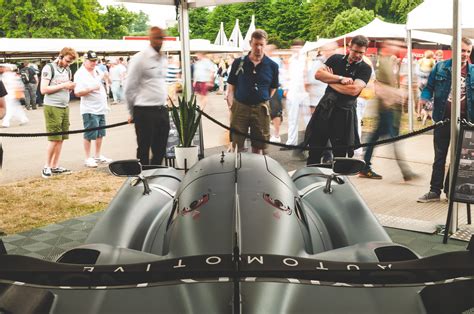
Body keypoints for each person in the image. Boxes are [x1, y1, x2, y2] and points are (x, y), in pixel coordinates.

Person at [418, 37, 474, 202]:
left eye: (468, 51)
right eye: (462, 50)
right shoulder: (440, 67)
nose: (464, 54)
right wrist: (424, 99)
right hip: (443, 120)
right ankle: (434, 191)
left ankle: (451, 190)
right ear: (454, 49)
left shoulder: (472, 72)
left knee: (459, 158)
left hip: (464, 122)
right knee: (439, 157)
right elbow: (429, 88)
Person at [305, 35, 372, 165]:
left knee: (340, 155)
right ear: (349, 48)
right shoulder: (335, 59)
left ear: (365, 52)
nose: (358, 55)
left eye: (361, 52)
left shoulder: (365, 68)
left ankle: (336, 183)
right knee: (315, 149)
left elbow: (353, 90)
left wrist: (329, 80)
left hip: (344, 113)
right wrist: (340, 78)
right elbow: (318, 74)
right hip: (325, 108)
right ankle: (311, 179)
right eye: (355, 51)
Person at [359, 40, 417, 181]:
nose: (398, 47)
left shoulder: (391, 62)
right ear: (386, 47)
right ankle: (405, 172)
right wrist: (397, 94)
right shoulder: (382, 63)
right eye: (395, 45)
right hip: (387, 109)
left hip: (391, 109)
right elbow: (378, 86)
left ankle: (364, 166)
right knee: (395, 140)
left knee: (374, 139)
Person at [226, 29, 279, 154]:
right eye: (256, 44)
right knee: (236, 143)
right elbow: (231, 86)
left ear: (265, 45)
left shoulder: (272, 66)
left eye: (262, 45)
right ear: (251, 43)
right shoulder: (239, 62)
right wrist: (231, 106)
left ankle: (257, 170)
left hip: (261, 108)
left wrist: (263, 99)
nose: (259, 48)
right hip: (240, 107)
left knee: (259, 145)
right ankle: (236, 171)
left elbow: (273, 87)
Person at [125, 26, 170, 166]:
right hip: (144, 110)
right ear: (149, 38)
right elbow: (129, 88)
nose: (159, 41)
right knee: (143, 149)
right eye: (156, 38)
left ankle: (155, 176)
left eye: (161, 38)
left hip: (161, 109)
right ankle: (143, 178)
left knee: (161, 149)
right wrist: (132, 113)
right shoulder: (140, 58)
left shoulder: (163, 58)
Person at [40, 47, 77, 178]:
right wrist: (64, 85)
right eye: (67, 60)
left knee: (61, 139)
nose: (68, 64)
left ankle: (55, 166)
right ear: (61, 56)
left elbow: (66, 87)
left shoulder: (67, 69)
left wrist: (70, 87)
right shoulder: (48, 68)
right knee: (54, 138)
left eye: (70, 62)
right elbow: (43, 90)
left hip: (64, 106)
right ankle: (47, 166)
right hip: (52, 106)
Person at [74, 50, 113, 168]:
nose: (93, 63)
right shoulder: (80, 74)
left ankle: (97, 155)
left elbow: (106, 78)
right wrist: (91, 89)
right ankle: (87, 158)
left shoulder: (97, 69)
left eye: (95, 61)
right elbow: (77, 93)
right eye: (91, 61)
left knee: (100, 133)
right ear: (85, 61)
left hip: (101, 107)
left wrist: (107, 78)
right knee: (89, 133)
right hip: (89, 109)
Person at [282, 39, 310, 148]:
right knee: (292, 118)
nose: (297, 50)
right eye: (295, 48)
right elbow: (286, 76)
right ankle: (291, 142)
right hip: (293, 92)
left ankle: (309, 142)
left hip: (304, 93)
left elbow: (308, 75)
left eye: (299, 48)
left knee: (308, 119)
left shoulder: (306, 60)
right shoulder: (290, 61)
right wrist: (286, 89)